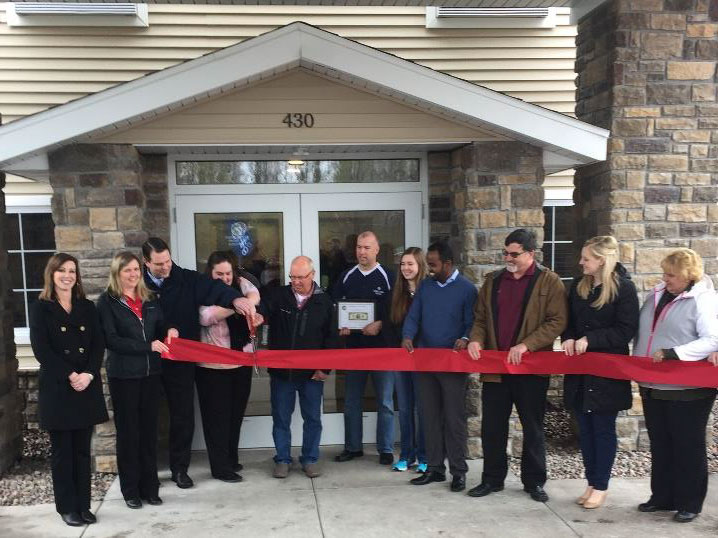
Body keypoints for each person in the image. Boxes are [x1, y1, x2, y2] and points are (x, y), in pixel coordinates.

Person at [142, 237, 257, 489]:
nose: (165, 267)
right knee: (146, 418)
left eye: (168, 261)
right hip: (145, 361)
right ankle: (147, 473)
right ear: (146, 262)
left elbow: (215, 289)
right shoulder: (136, 283)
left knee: (182, 416)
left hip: (181, 361)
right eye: (159, 264)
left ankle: (179, 470)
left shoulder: (186, 278)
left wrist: (235, 300)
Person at [467, 228, 567, 503]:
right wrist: (476, 340)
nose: (508, 258)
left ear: (530, 254)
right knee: (492, 427)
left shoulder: (550, 282)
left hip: (530, 370)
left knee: (533, 427)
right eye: (506, 253)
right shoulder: (494, 281)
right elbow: (480, 319)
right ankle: (492, 479)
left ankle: (534, 482)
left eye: (514, 254)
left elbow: (557, 321)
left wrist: (526, 345)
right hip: (496, 369)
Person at [634, 248, 718, 523]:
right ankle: (662, 496)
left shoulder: (703, 299)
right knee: (660, 443)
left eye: (671, 275)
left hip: (688, 388)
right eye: (664, 273)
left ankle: (690, 502)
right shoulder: (658, 293)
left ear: (687, 275)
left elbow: (712, 339)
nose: (665, 278)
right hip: (654, 383)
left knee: (687, 445)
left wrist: (674, 352)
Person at [29, 253, 108, 527]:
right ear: (52, 274)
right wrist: (71, 374)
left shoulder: (86, 306)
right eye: (62, 270)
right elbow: (42, 350)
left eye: (72, 271)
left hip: (85, 385)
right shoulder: (40, 308)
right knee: (63, 452)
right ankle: (67, 507)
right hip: (59, 387)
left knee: (82, 451)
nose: (67, 276)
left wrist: (88, 374)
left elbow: (98, 344)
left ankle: (83, 505)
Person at [561, 236, 639, 509]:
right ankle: (591, 482)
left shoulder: (624, 289)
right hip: (581, 370)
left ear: (602, 261)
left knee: (603, 429)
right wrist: (569, 337)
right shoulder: (579, 287)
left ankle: (602, 484)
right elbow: (567, 321)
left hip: (607, 372)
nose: (581, 263)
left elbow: (625, 330)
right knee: (585, 427)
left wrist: (591, 339)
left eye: (586, 259)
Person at [97, 252, 179, 509]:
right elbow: (111, 340)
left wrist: (170, 330)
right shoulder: (107, 302)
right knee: (129, 434)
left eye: (135, 270)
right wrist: (147, 346)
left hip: (151, 375)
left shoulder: (150, 299)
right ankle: (130, 490)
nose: (132, 275)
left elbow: (162, 325)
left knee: (149, 433)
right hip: (124, 377)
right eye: (127, 271)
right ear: (117, 273)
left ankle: (150, 487)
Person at [401, 242, 477, 492]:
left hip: (453, 365)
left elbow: (472, 322)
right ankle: (434, 468)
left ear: (448, 262)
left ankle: (459, 471)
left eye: (433, 264)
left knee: (454, 419)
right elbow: (414, 315)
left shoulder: (466, 289)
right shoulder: (426, 286)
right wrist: (408, 334)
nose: (429, 268)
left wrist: (465, 338)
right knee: (429, 416)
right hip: (425, 361)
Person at [258, 256, 334, 478]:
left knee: (313, 419)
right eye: (293, 277)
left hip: (312, 374)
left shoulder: (325, 302)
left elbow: (332, 339)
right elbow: (264, 308)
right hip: (282, 374)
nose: (296, 282)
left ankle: (310, 459)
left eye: (301, 277)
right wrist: (258, 315)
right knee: (281, 417)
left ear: (312, 275)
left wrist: (325, 368)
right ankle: (282, 459)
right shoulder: (279, 296)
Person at [196, 250, 260, 483]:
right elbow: (206, 317)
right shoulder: (202, 289)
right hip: (213, 367)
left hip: (241, 361)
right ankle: (220, 467)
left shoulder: (242, 284)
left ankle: (231, 459)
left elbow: (254, 296)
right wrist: (238, 305)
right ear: (210, 273)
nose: (224, 278)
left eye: (228, 273)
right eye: (218, 274)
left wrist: (246, 303)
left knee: (235, 415)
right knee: (217, 419)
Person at [332, 231, 396, 465]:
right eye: (359, 247)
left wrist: (381, 323)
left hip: (383, 350)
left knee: (386, 402)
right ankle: (353, 447)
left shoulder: (389, 276)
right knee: (351, 401)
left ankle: (386, 448)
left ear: (377, 250)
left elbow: (398, 311)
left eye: (367, 247)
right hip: (355, 349)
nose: (362, 252)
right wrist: (342, 326)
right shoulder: (347, 276)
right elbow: (336, 306)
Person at [382, 247, 428, 473]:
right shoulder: (395, 293)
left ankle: (424, 456)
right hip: (401, 360)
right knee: (406, 408)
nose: (406, 268)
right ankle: (406, 455)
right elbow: (390, 325)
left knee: (423, 409)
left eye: (411, 264)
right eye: (403, 264)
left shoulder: (429, 292)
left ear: (420, 266)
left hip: (424, 359)